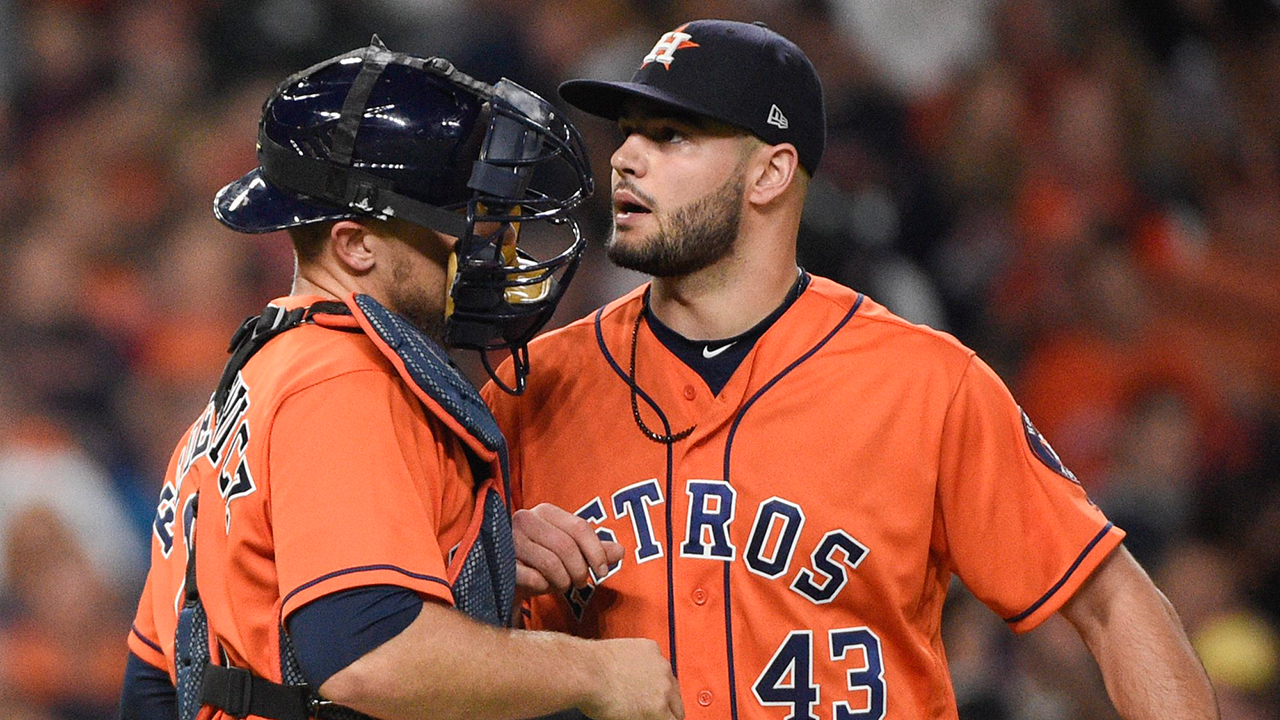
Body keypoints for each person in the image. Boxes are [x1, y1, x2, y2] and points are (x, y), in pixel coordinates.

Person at [483, 20, 1219, 720]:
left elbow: (1114, 602)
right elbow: (397, 626)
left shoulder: (924, 385)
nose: (626, 158)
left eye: (671, 135)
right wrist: (484, 562)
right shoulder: (530, 387)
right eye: (628, 133)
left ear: (770, 173)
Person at [118, 39, 683, 720]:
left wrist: (469, 547)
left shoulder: (242, 393)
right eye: (465, 221)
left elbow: (154, 682)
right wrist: (593, 671)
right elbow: (370, 657)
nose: (492, 246)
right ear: (356, 245)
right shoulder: (343, 381)